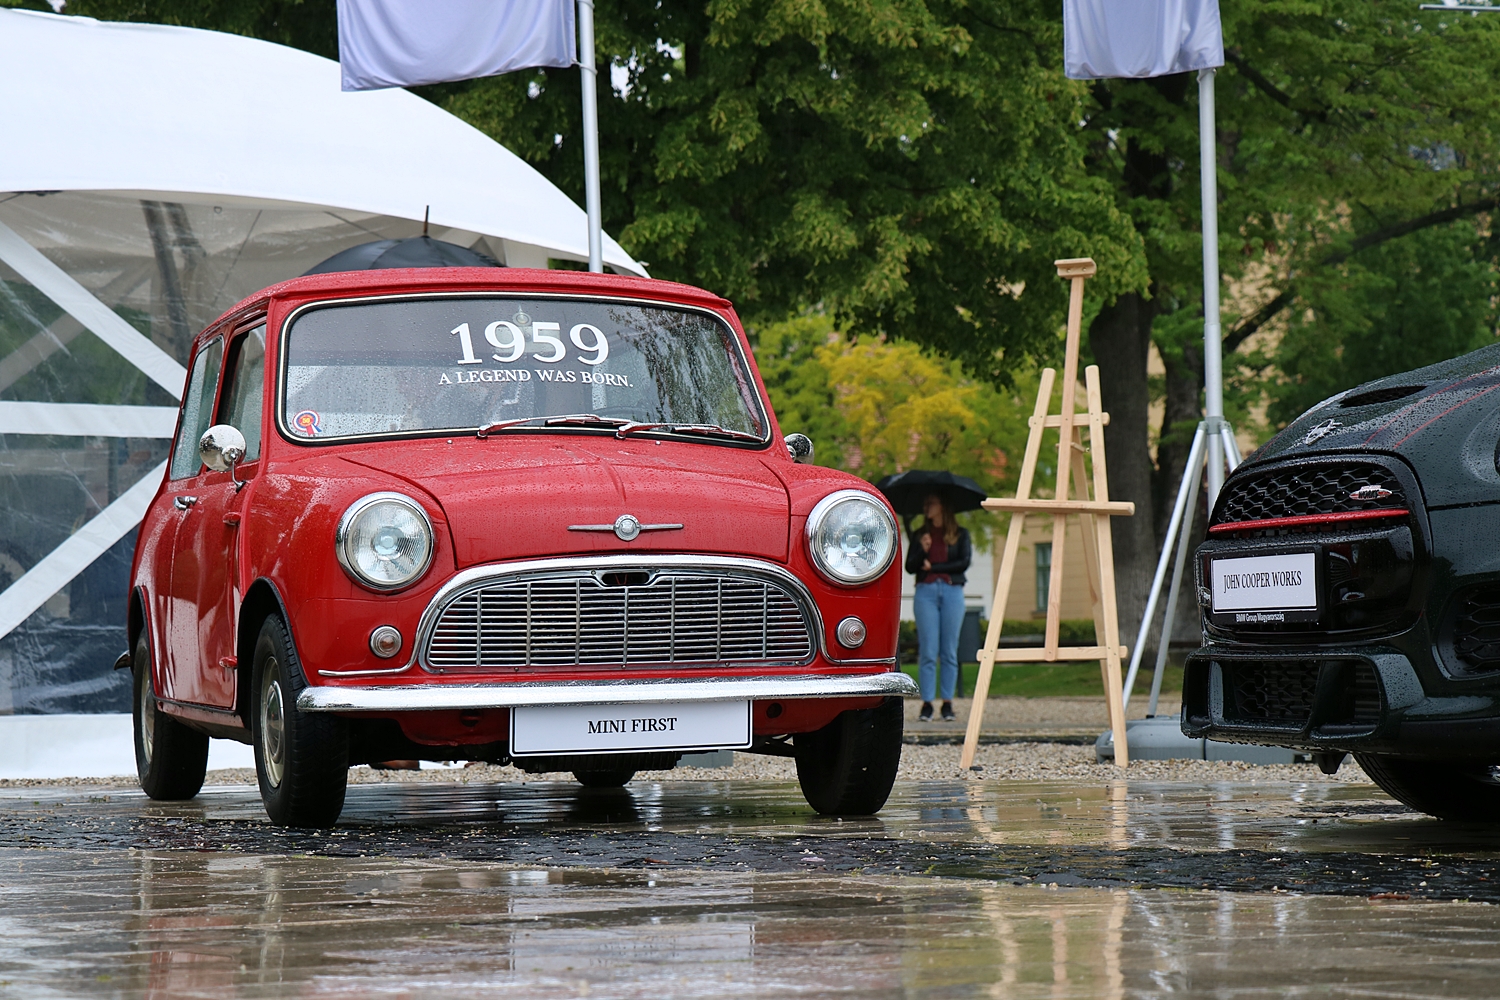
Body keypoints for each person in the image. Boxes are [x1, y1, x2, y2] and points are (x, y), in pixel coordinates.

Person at [906, 493, 971, 721]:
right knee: (928, 651)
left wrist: (934, 566)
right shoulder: (920, 535)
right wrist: (922, 549)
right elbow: (910, 567)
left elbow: (964, 562)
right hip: (926, 593)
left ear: (942, 506)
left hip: (952, 591)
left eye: (930, 503)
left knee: (949, 651)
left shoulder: (961, 535)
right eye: (926, 503)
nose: (926, 506)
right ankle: (926, 703)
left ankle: (947, 703)